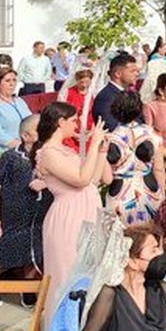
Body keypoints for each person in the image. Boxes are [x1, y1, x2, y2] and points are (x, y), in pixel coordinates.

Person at [36, 100, 111, 312]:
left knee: (88, 274)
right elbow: (80, 179)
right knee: (67, 274)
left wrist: (101, 150)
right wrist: (93, 143)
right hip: (68, 216)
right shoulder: (49, 152)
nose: (77, 125)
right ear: (60, 122)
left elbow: (95, 180)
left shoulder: (66, 151)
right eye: (73, 120)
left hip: (86, 211)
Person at [0, 112, 51, 278]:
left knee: (36, 248)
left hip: (39, 223)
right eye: (39, 129)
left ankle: (29, 292)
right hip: (10, 223)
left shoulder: (51, 155)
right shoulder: (10, 158)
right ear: (25, 135)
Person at [107, 92, 166, 225]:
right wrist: (162, 192)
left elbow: (107, 175)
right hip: (149, 187)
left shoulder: (111, 139)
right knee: (151, 232)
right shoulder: (150, 133)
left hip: (119, 191)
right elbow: (159, 168)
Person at [0, 65, 32, 148]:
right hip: (7, 150)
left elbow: (31, 120)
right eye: (7, 81)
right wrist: (19, 146)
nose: (12, 84)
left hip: (29, 146)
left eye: (14, 80)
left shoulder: (20, 101)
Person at [96, 53, 141, 131]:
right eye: (132, 71)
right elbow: (110, 126)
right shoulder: (105, 97)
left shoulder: (130, 93)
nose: (137, 74)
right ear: (118, 74)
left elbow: (140, 118)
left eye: (137, 71)